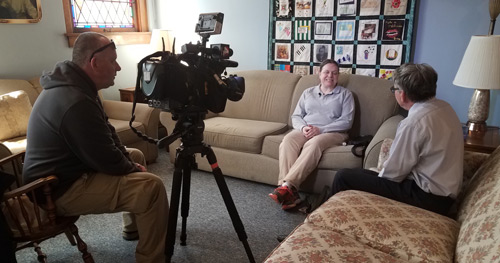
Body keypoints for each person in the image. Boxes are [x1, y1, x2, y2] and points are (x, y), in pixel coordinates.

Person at [22, 32, 169, 263]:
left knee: (135, 154)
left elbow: (106, 134)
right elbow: (105, 158)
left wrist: (130, 162)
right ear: (95, 62)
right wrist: (132, 169)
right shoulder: (75, 100)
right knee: (151, 187)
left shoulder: (76, 87)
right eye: (113, 61)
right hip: (57, 189)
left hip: (69, 171)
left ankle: (133, 228)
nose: (118, 67)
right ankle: (152, 259)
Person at [331, 63, 464, 216]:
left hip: (428, 199)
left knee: (343, 177)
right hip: (444, 194)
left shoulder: (414, 123)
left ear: (402, 94)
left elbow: (392, 174)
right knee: (359, 175)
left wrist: (374, 176)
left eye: (394, 89)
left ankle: (330, 218)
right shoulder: (445, 107)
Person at [269, 59, 355, 210]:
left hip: (333, 132)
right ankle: (289, 194)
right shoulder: (308, 92)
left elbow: (346, 121)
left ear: (338, 76)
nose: (330, 76)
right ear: (319, 74)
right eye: (326, 72)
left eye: (334, 73)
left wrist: (321, 130)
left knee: (313, 143)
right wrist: (302, 128)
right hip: (307, 129)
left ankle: (287, 185)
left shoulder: (345, 95)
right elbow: (296, 116)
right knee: (288, 140)